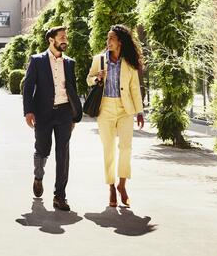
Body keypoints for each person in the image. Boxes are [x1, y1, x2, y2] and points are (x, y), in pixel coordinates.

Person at [22, 26, 83, 211]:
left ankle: (60, 196)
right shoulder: (37, 60)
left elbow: (72, 88)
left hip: (64, 113)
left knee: (63, 154)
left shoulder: (69, 63)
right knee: (42, 149)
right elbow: (28, 87)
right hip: (43, 112)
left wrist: (74, 115)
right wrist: (28, 111)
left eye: (66, 37)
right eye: (62, 37)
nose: (65, 40)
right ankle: (38, 176)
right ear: (51, 40)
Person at [86, 24, 145, 207]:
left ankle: (122, 185)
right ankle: (111, 186)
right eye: (107, 38)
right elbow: (89, 79)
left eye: (111, 38)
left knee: (126, 148)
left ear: (120, 41)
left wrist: (139, 111)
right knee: (108, 149)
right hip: (105, 109)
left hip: (125, 109)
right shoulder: (99, 59)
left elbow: (134, 88)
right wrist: (97, 78)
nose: (108, 41)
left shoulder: (129, 62)